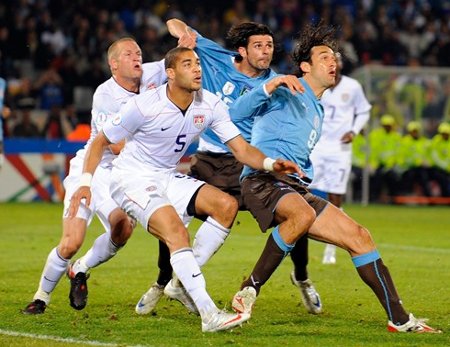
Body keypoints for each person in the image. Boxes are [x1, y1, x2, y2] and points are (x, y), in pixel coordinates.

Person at [67, 46, 301, 332]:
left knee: (226, 206)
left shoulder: (210, 105)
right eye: (188, 64)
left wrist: (269, 164)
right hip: (132, 178)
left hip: (166, 176)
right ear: (170, 73)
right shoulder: (144, 105)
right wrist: (85, 183)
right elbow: (100, 141)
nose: (197, 69)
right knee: (177, 232)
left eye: (198, 63)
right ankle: (209, 314)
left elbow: (241, 149)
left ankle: (180, 282)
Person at [228, 22, 440, 333]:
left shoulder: (318, 107)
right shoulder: (285, 87)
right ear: (305, 66)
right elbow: (235, 114)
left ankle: (400, 319)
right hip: (263, 179)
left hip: (294, 186)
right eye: (325, 57)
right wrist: (269, 86)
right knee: (300, 214)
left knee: (360, 236)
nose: (333, 62)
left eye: (335, 57)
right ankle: (249, 289)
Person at [135, 18, 322, 317]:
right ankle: (162, 283)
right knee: (172, 216)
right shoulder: (213, 56)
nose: (265, 52)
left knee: (296, 214)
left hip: (244, 164)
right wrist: (182, 36)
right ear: (241, 51)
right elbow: (175, 23)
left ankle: (301, 277)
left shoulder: (274, 83)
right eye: (258, 46)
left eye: (270, 46)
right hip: (208, 160)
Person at [22, 37, 168, 315]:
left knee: (122, 229)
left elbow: (177, 60)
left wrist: (184, 36)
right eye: (128, 54)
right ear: (114, 64)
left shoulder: (152, 73)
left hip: (124, 172)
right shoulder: (105, 95)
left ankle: (80, 269)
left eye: (138, 52)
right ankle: (41, 298)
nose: (137, 57)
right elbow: (112, 143)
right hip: (94, 167)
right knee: (72, 241)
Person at [308, 53, 371, 264]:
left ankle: (331, 249)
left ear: (342, 64)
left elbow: (364, 111)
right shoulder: (316, 84)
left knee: (335, 198)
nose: (332, 64)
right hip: (316, 147)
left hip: (339, 150)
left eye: (336, 61)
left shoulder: (352, 87)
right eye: (328, 60)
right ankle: (298, 240)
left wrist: (353, 130)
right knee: (303, 193)